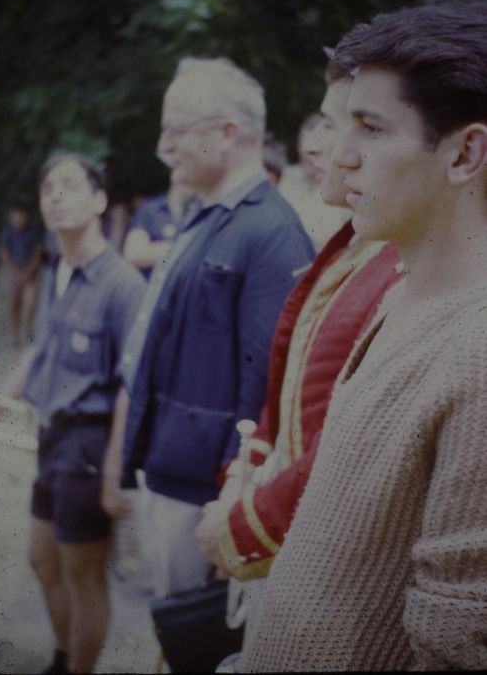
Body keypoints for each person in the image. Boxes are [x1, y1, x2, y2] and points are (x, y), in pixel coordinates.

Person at [241, 0, 487, 672]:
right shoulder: (401, 294)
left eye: (371, 130)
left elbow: (459, 648)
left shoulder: (477, 356)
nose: (338, 156)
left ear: (467, 152)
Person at [195, 51, 403, 657]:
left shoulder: (397, 260)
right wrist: (244, 471)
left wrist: (240, 524)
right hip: (289, 529)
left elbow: (345, 443)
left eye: (358, 126)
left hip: (331, 566)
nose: (328, 149)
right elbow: (288, 387)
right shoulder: (355, 244)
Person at [112, 56, 315, 669]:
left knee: (196, 644)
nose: (163, 145)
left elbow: (268, 384)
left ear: (227, 132)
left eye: (177, 128)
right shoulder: (208, 215)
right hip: (171, 468)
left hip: (202, 490)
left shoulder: (271, 233)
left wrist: (231, 499)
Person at [0, 150, 146, 675]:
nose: (55, 196)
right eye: (48, 188)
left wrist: (112, 474)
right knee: (40, 557)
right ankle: (63, 656)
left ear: (100, 199)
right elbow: (42, 347)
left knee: (83, 574)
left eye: (70, 185)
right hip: (51, 438)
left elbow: (132, 385)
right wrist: (4, 397)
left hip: (90, 445)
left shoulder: (123, 284)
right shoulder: (59, 269)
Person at [279, 112, 349, 249]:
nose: (306, 152)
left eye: (316, 148)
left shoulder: (341, 189)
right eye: (302, 143)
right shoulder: (289, 176)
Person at [122, 176, 196, 279]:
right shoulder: (150, 208)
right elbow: (133, 254)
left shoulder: (201, 214)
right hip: (147, 288)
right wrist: (184, 249)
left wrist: (154, 250)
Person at [0, 201, 43, 347]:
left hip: (30, 275)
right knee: (14, 305)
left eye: (21, 215)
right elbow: (5, 254)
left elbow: (37, 254)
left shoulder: (32, 232)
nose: (18, 218)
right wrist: (15, 273)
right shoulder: (8, 232)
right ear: (11, 217)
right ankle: (15, 334)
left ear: (26, 216)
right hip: (14, 275)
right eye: (15, 215)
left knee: (30, 304)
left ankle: (28, 329)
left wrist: (28, 272)